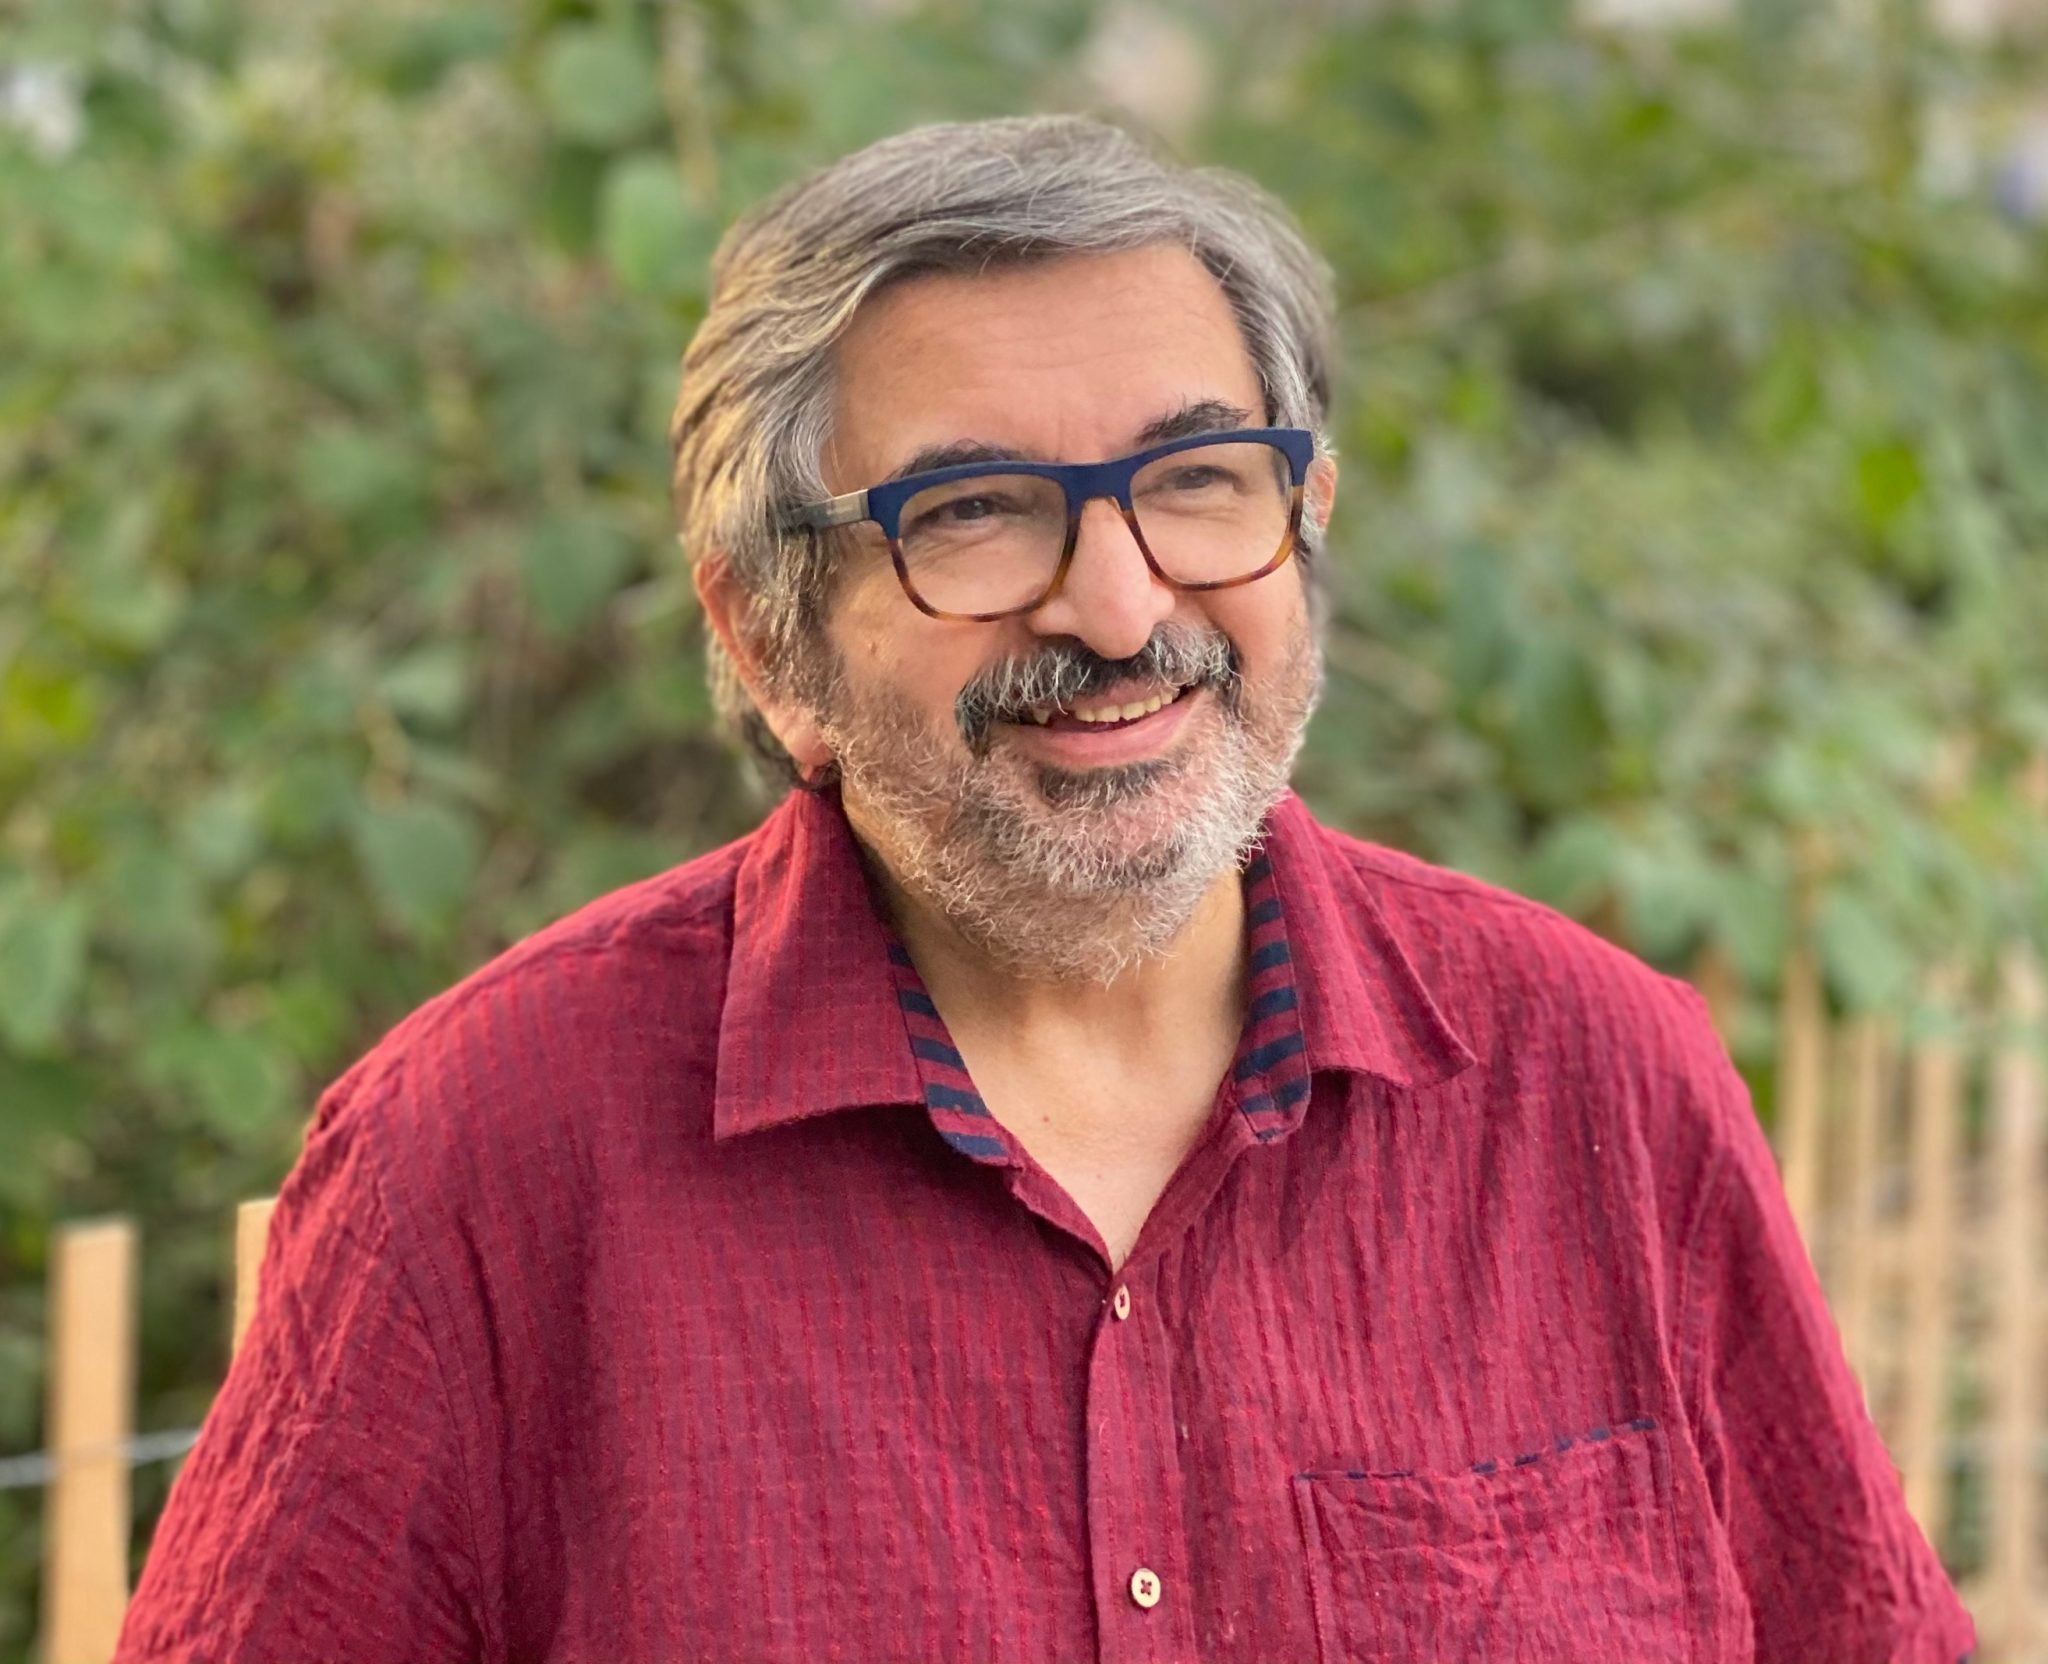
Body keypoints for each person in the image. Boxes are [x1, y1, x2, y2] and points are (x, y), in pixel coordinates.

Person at [118, 115, 1974, 1664]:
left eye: (1199, 478)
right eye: (977, 512)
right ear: (766, 634)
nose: (1118, 605)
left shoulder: (1603, 1084)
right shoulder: (480, 1159)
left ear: (1305, 518)